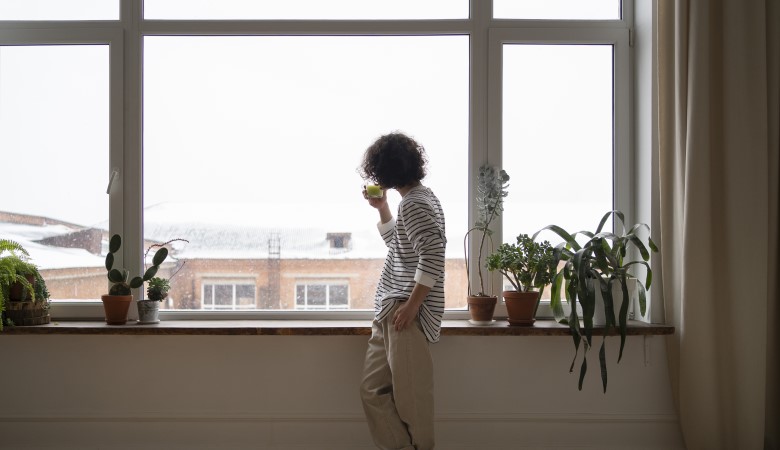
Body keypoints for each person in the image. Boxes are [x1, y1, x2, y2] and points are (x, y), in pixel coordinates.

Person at [357, 132, 446, 450]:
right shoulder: (416, 201)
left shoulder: (416, 204)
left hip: (404, 311)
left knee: (413, 403)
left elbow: (433, 255)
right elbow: (403, 247)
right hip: (390, 309)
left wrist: (411, 307)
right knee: (372, 391)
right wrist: (382, 208)